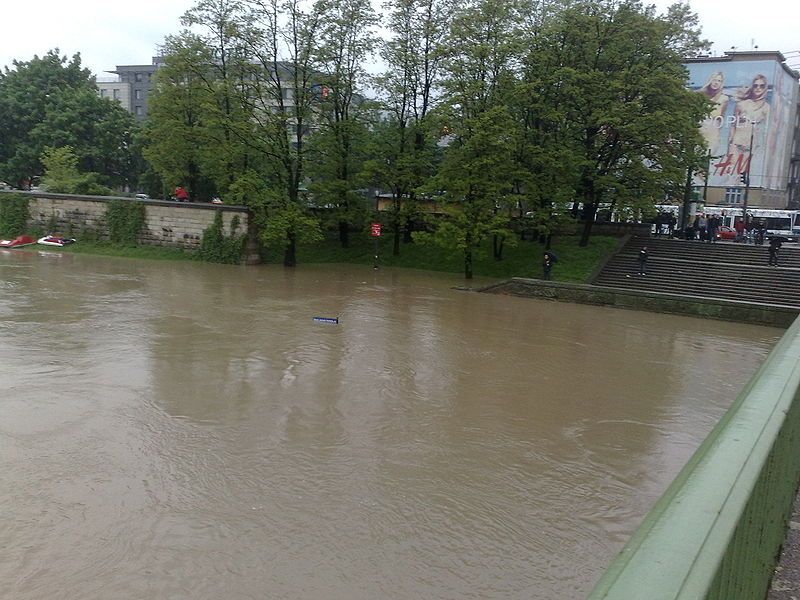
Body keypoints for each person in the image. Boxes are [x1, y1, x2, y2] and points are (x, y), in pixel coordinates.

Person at [698, 71, 730, 155]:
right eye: (714, 80)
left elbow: (721, 118)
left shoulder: (724, 99)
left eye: (719, 81)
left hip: (713, 135)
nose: (716, 83)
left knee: (706, 159)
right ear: (710, 80)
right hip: (699, 132)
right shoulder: (700, 95)